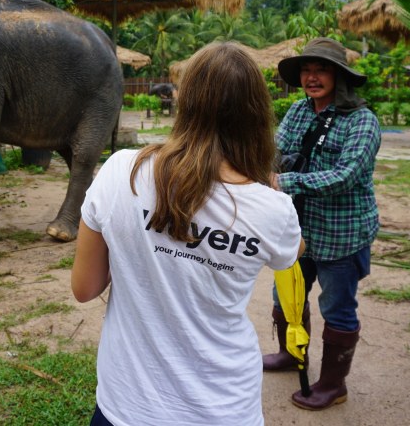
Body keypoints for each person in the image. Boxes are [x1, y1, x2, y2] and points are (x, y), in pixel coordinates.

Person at [72, 41, 304, 426]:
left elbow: (85, 288)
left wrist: (147, 238)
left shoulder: (122, 171)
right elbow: (291, 252)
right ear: (257, 113)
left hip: (127, 406)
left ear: (183, 100)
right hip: (225, 409)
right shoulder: (272, 208)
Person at [263, 37, 381, 411]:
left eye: (321, 70)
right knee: (286, 297)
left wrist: (285, 181)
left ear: (339, 75)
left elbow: (346, 175)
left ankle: (333, 384)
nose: (312, 77)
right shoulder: (298, 111)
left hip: (342, 233)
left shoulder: (362, 121)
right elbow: (275, 153)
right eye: (306, 70)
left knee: (337, 307)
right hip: (297, 229)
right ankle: (291, 355)